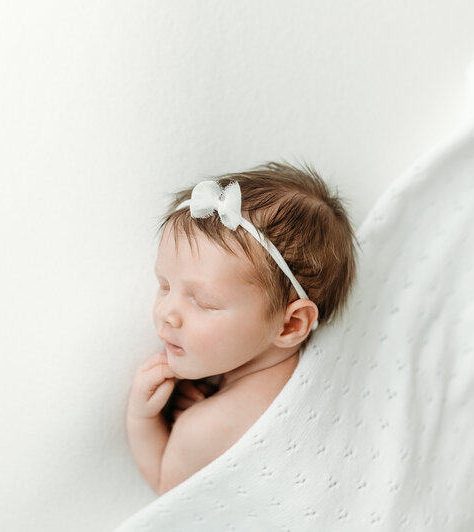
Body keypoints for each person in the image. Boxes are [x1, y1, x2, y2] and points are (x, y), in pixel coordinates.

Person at [126, 161, 358, 494]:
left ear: (292, 323)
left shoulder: (205, 427)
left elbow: (169, 496)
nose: (166, 313)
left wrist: (142, 419)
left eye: (204, 302)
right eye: (163, 285)